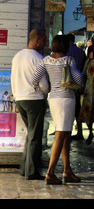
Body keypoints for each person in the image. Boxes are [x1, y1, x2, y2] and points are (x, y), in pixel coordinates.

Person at [32, 34, 83, 185]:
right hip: (67, 99)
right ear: (65, 46)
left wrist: (44, 90)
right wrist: (75, 72)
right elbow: (79, 79)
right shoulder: (68, 60)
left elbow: (35, 79)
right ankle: (50, 172)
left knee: (65, 134)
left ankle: (67, 170)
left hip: (53, 99)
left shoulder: (46, 60)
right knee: (61, 135)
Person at [11, 29, 49, 180]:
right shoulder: (39, 59)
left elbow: (13, 78)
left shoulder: (17, 56)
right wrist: (48, 90)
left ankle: (24, 168)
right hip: (34, 99)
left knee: (30, 134)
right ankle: (32, 171)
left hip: (20, 98)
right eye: (44, 40)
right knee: (35, 136)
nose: (45, 43)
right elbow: (44, 85)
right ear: (37, 40)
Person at [67, 33, 86, 140]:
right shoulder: (80, 51)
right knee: (78, 108)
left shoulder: (66, 52)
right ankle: (80, 131)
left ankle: (67, 131)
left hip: (68, 84)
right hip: (78, 84)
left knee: (68, 109)